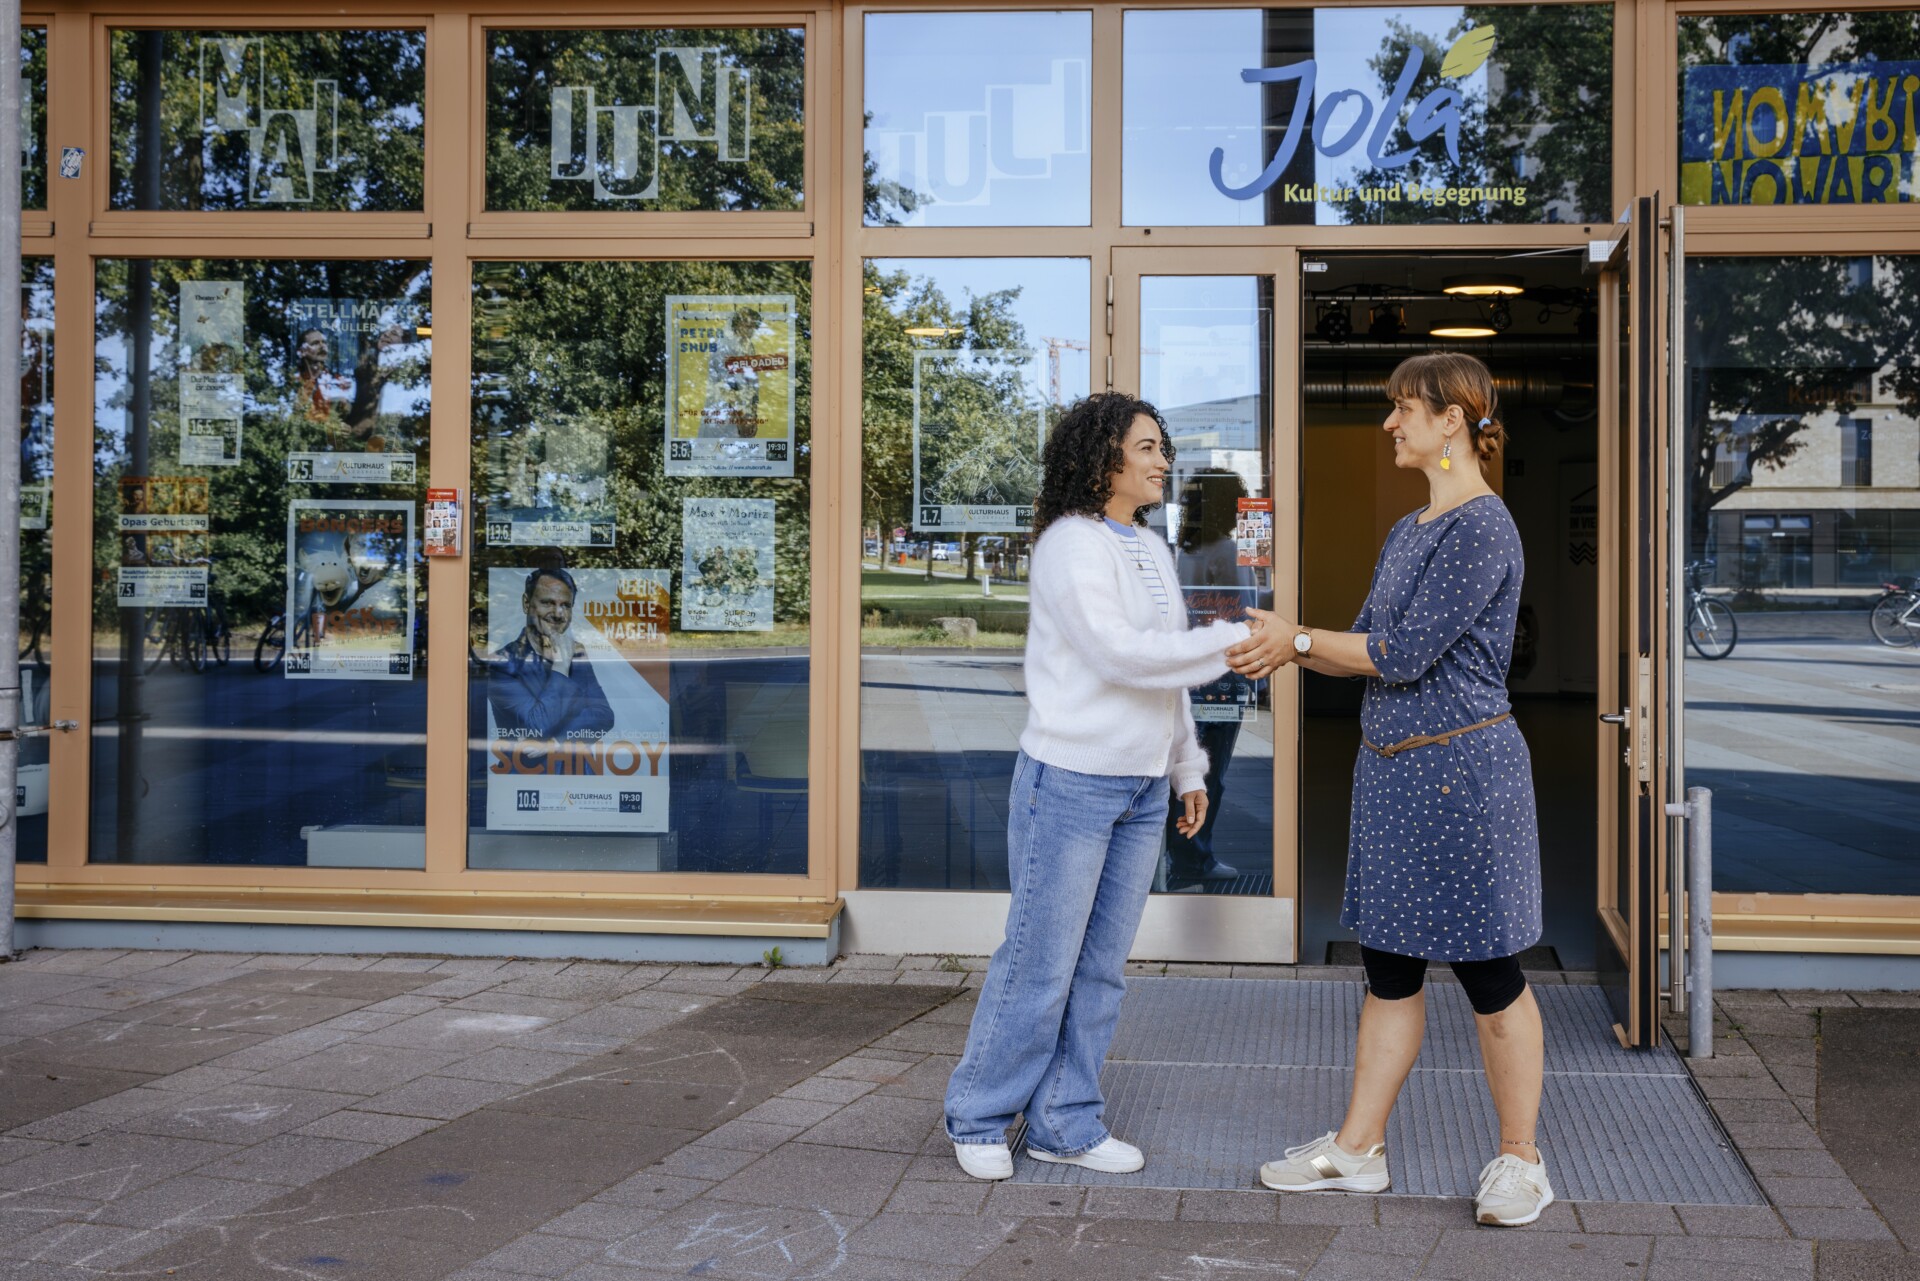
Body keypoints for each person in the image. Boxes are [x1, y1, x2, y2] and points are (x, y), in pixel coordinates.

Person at [1228, 352, 1551, 1227]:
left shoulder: (1483, 527)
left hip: (1464, 777)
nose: (1389, 424)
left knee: (1491, 975)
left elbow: (1400, 656)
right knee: (1389, 972)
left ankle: (1520, 1159)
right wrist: (1289, 642)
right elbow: (1367, 637)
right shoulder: (1412, 529)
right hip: (1397, 775)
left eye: (1404, 409)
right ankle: (1359, 1149)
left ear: (1454, 419)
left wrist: (1296, 642)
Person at [944, 392, 1254, 1181]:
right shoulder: (1071, 546)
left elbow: (1167, 664)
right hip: (1072, 782)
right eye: (1147, 446)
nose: (1162, 459)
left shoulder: (1147, 546)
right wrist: (1243, 641)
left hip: (1141, 786)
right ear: (1103, 456)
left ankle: (1064, 1121)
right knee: (1040, 962)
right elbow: (1119, 655)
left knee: (1101, 968)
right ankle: (979, 1112)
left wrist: (1187, 766)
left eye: (1163, 447)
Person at [1164, 469, 1257, 887]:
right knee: (1211, 772)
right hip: (1222, 673)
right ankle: (1194, 860)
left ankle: (1178, 855)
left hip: (1187, 673)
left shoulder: (1183, 551)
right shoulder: (1227, 550)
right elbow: (1243, 610)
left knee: (1186, 767)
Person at [487, 566, 616, 746]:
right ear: (526, 603)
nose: (557, 614)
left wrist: (555, 741)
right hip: (525, 772)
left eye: (565, 605)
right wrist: (561, 669)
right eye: (547, 603)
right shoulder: (502, 663)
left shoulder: (575, 652)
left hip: (576, 769)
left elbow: (603, 716)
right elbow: (535, 728)